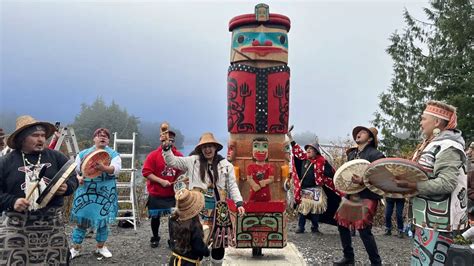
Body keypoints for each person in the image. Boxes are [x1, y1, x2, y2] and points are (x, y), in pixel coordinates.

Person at [395, 101, 468, 265]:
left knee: (431, 261)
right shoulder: (431, 144)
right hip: (427, 219)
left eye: (423, 118)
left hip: (439, 222)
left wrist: (415, 186)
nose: (420, 123)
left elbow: (446, 183)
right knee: (422, 260)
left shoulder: (449, 146)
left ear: (436, 122)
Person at [0, 115, 78, 265]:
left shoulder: (56, 157)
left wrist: (67, 187)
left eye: (43, 135)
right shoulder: (6, 162)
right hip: (17, 225)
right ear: (22, 139)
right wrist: (12, 201)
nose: (41, 139)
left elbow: (72, 177)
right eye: (35, 135)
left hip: (51, 224)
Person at [162, 132, 245, 265]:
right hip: (195, 210)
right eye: (205, 147)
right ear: (200, 149)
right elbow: (172, 161)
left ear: (216, 147)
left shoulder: (226, 165)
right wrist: (167, 149)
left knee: (219, 242)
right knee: (193, 242)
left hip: (219, 211)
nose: (207, 149)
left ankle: (216, 263)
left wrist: (239, 203)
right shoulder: (192, 161)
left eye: (210, 146)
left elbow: (233, 186)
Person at [334, 126, 384, 266]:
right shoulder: (352, 155)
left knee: (363, 229)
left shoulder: (376, 155)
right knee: (342, 224)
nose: (358, 134)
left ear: (369, 138)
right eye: (357, 133)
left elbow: (381, 177)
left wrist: (362, 180)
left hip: (368, 195)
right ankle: (348, 257)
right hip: (351, 194)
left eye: (362, 133)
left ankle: (376, 263)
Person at [70, 128, 122, 259]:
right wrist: (78, 178)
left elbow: (115, 170)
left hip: (105, 190)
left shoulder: (113, 154)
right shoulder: (83, 154)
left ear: (108, 140)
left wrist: (103, 168)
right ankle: (76, 248)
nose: (102, 137)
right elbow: (74, 171)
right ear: (94, 138)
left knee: (103, 221)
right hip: (86, 189)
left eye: (105, 136)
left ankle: (100, 247)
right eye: (99, 135)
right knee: (82, 220)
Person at [287, 133, 343, 235]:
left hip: (316, 189)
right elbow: (296, 149)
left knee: (315, 211)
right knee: (303, 209)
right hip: (304, 189)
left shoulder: (322, 162)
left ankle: (315, 227)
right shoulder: (303, 158)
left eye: (310, 149)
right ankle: (301, 227)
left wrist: (338, 180)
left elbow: (331, 173)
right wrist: (290, 137)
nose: (308, 150)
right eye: (307, 149)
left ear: (316, 152)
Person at [142, 130, 183, 248]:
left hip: (172, 193)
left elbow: (182, 172)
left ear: (174, 141)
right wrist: (161, 181)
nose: (168, 142)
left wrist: (181, 181)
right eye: (166, 139)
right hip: (156, 192)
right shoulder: (153, 155)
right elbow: (146, 172)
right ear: (161, 139)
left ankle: (173, 240)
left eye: (171, 140)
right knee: (155, 217)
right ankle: (155, 237)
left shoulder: (179, 156)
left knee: (173, 218)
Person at [168, 188, 210, 265]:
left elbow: (171, 239)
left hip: (174, 260)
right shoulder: (194, 225)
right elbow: (198, 247)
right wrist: (206, 251)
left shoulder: (172, 218)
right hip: (189, 262)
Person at [246, 137, 274, 202]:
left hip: (266, 193)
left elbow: (271, 179)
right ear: (252, 151)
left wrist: (265, 181)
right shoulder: (250, 167)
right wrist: (254, 184)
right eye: (256, 146)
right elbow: (249, 179)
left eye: (264, 146)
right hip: (254, 192)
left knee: (267, 207)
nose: (260, 150)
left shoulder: (270, 167)